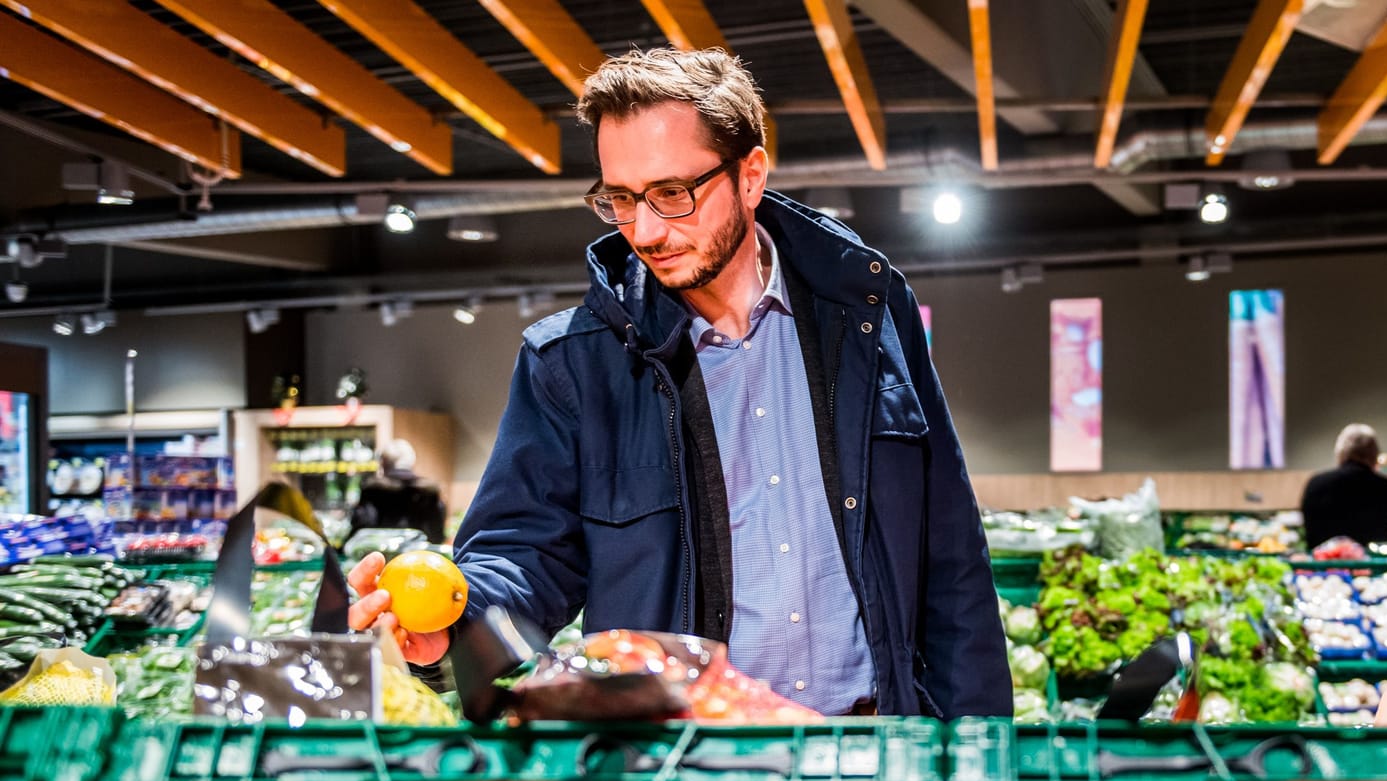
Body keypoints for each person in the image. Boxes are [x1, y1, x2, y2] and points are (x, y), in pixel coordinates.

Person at [347, 47, 1011, 719]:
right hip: (686, 769)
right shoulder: (571, 364)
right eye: (621, 200)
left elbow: (949, 551)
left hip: (870, 745)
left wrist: (982, 753)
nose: (646, 230)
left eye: (672, 194)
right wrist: (452, 627)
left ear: (750, 176)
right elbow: (526, 555)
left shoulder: (867, 313)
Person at [1300, 424, 1387, 549]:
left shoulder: (1316, 486)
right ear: (1374, 456)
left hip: (1325, 567)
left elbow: (1311, 537)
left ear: (1340, 454)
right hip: (1381, 568)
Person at [349, 440, 447, 543]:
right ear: (412, 462)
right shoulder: (429, 492)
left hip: (381, 556)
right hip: (421, 556)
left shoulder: (372, 491)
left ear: (383, 463)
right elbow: (437, 534)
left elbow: (361, 528)